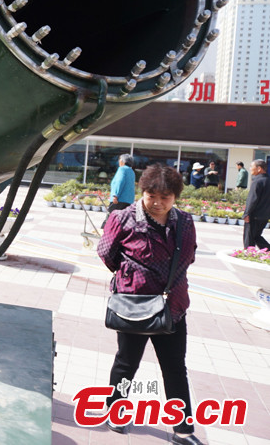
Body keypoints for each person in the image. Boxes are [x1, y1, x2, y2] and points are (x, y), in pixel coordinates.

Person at [97, 164, 201, 444]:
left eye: (165, 197)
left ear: (175, 197)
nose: (157, 203)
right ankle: (115, 412)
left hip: (172, 306)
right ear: (142, 192)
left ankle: (183, 429)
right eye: (151, 195)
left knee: (175, 367)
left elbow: (188, 257)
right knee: (126, 362)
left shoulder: (185, 222)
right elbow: (106, 253)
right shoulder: (123, 218)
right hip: (135, 303)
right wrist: (133, 276)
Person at [243, 159, 270, 250]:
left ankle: (248, 255)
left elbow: (252, 199)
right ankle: (268, 251)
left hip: (254, 216)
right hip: (265, 216)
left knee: (249, 238)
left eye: (252, 166)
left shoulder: (257, 181)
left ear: (259, 169)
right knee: (257, 236)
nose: (250, 169)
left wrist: (247, 213)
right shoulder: (268, 180)